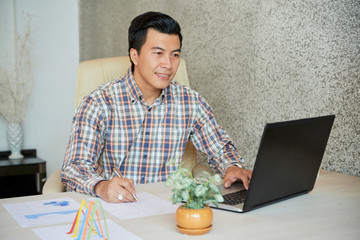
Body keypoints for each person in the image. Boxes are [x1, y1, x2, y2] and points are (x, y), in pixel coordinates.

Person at [61, 11, 252, 203]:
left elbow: (221, 148)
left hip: (167, 209)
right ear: (134, 55)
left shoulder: (190, 102)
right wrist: (101, 186)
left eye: (175, 55)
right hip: (114, 208)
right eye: (158, 53)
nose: (168, 64)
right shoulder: (99, 102)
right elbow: (74, 167)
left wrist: (231, 167)